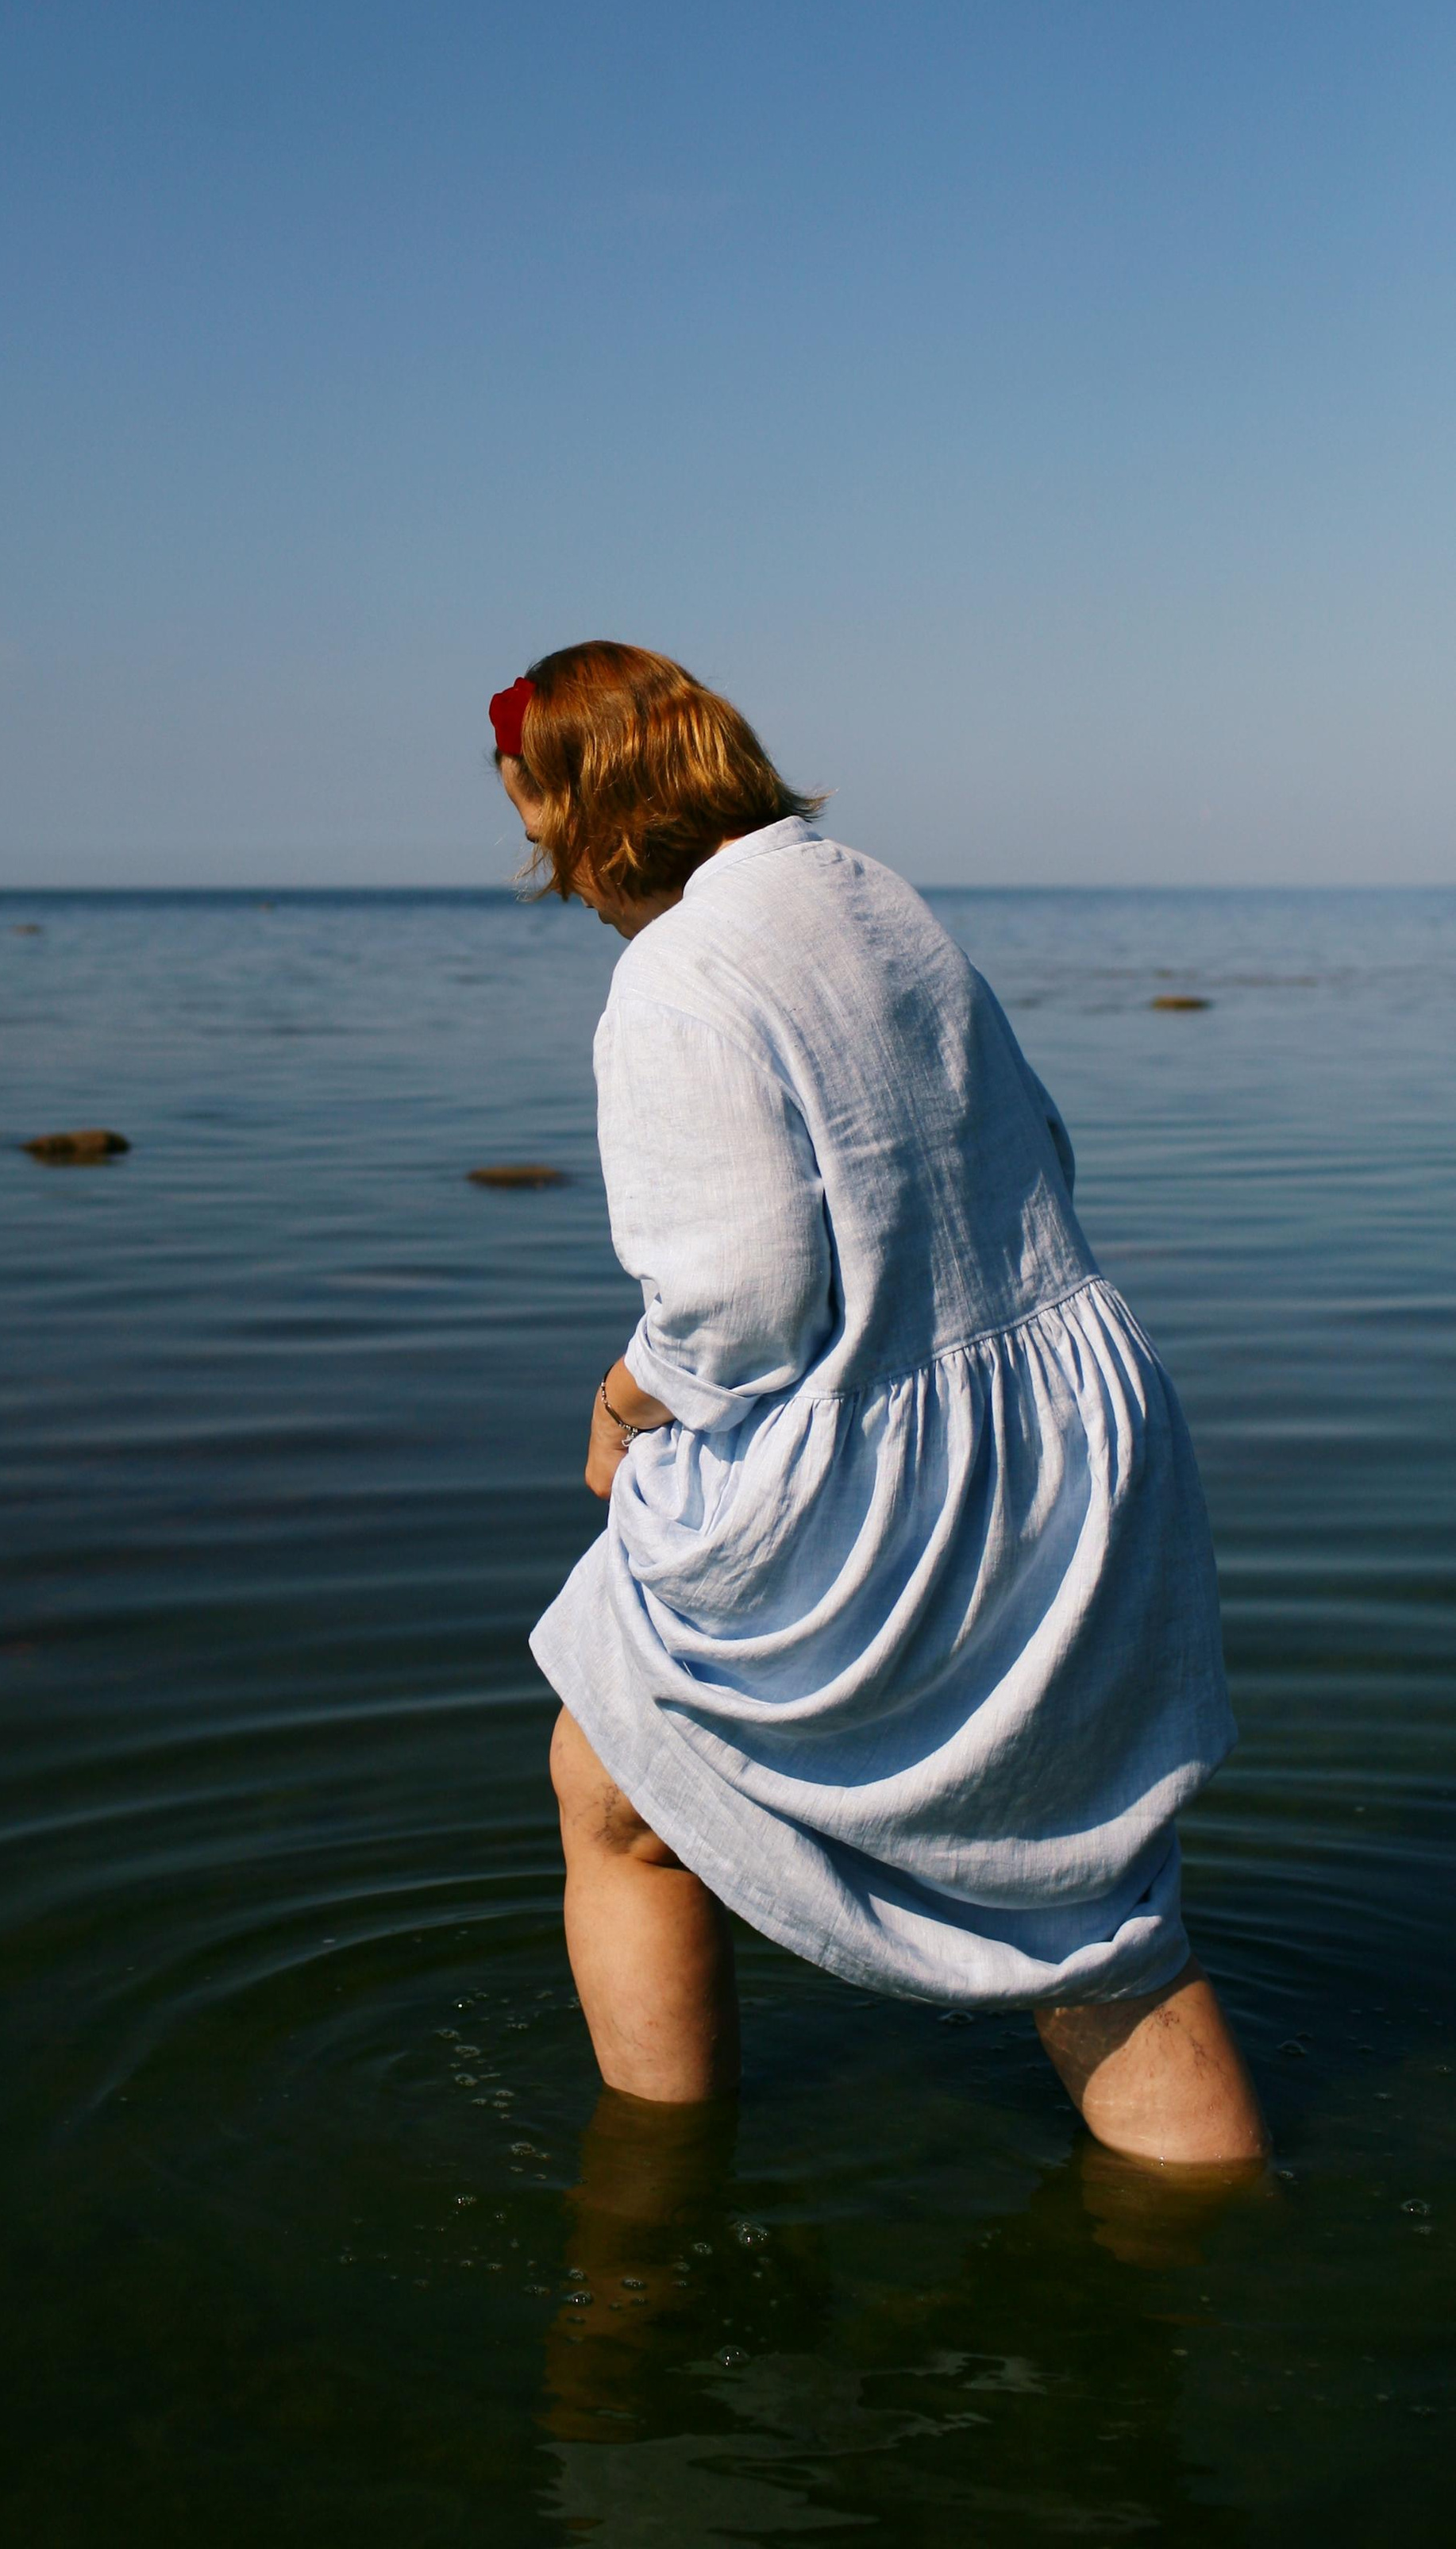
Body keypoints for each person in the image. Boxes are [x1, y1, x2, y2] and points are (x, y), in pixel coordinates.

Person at [490, 642, 1267, 2167]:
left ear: (583, 799)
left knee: (607, 1785)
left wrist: (627, 1399)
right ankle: (1216, 2247)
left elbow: (744, 1294)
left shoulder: (677, 973)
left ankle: (655, 2227)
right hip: (1079, 1447)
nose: (540, 863)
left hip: (899, 1494)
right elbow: (1039, 1142)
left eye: (533, 820)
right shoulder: (867, 893)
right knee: (1088, 1907)